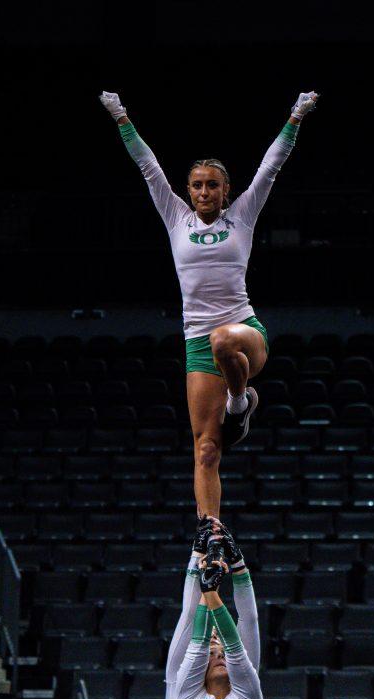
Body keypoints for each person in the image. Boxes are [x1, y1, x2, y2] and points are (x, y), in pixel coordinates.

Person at [99, 88, 319, 536]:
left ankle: (240, 401)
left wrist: (295, 116)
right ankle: (209, 530)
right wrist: (121, 116)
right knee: (205, 450)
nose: (204, 192)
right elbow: (148, 167)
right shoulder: (175, 217)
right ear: (188, 191)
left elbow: (271, 166)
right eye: (197, 185)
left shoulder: (242, 216)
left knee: (224, 339)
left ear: (225, 191)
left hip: (245, 333)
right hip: (198, 344)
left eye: (212, 185)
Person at [157, 525, 261, 699]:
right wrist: (197, 561)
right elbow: (190, 620)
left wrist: (237, 566)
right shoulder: (181, 691)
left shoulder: (249, 697)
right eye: (213, 652)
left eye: (223, 651)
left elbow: (246, 625)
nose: (220, 655)